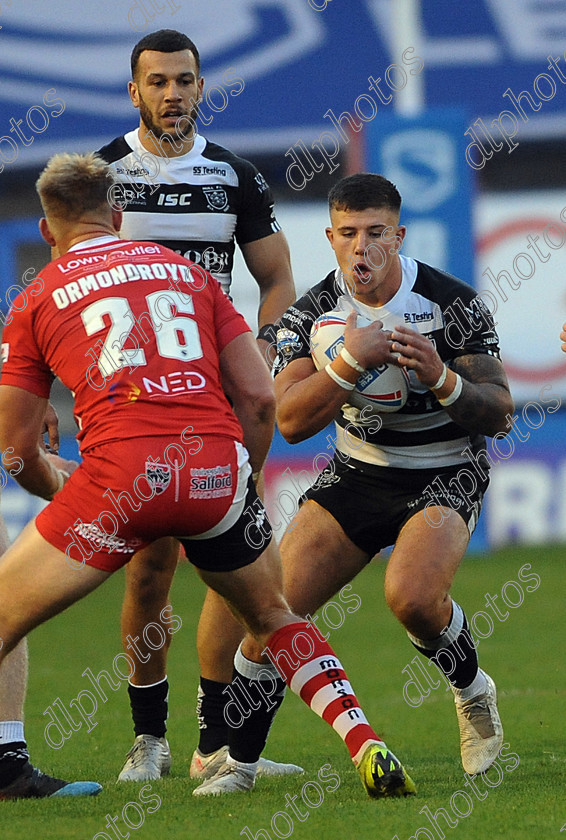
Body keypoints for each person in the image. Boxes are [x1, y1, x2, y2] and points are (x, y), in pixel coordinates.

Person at [0, 152, 415, 801]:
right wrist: (239, 488)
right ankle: (366, 742)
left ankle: (34, 758)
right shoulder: (189, 277)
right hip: (212, 467)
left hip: (117, 479)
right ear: (117, 217)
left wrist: (63, 489)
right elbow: (257, 399)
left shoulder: (36, 297)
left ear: (49, 233)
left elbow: (17, 449)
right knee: (274, 617)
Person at [193, 172, 514, 795]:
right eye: (348, 234)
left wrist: (440, 377)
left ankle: (472, 689)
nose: (361, 248)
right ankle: (241, 765)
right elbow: (288, 420)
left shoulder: (453, 303)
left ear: (399, 234)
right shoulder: (313, 314)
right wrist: (350, 360)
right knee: (272, 614)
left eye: (375, 234)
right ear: (330, 237)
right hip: (356, 473)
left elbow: (500, 411)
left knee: (413, 598)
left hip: (445, 469)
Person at [94, 29, 298, 781]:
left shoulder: (236, 177)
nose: (172, 93)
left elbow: (277, 276)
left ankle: (215, 747)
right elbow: (68, 283)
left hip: (216, 400)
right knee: (149, 568)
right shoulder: (103, 176)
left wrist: (265, 345)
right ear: (134, 92)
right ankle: (149, 740)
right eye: (158, 82)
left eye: (184, 80)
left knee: (238, 563)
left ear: (202, 86)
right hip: (136, 400)